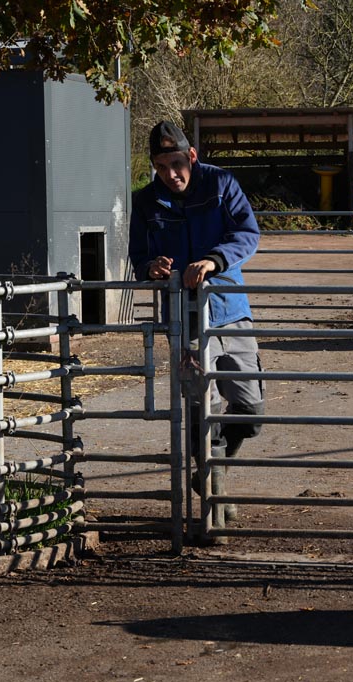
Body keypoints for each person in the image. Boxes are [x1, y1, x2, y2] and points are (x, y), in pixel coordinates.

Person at [128, 120, 264, 540]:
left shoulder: (221, 184)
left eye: (176, 164)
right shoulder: (146, 201)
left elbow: (247, 233)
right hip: (184, 319)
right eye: (160, 167)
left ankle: (213, 467)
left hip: (230, 309)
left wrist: (214, 260)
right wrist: (151, 267)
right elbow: (138, 256)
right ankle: (213, 504)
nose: (170, 174)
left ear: (191, 156)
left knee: (252, 410)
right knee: (200, 409)